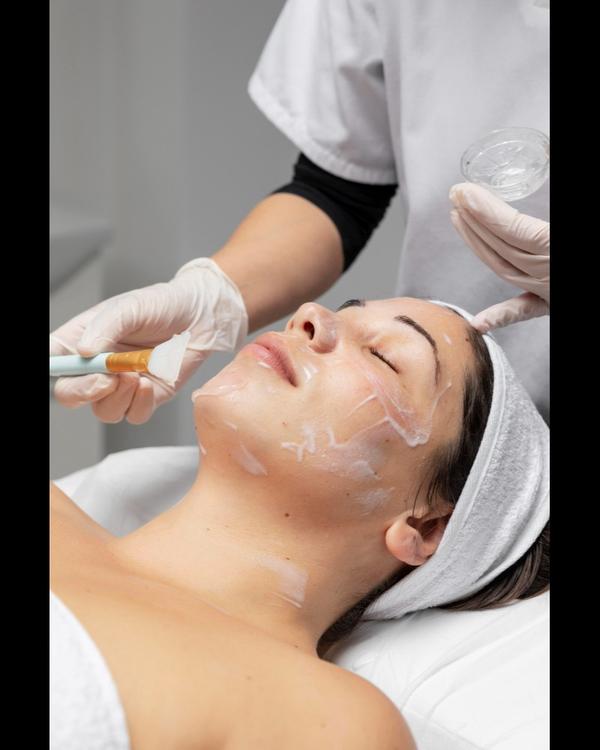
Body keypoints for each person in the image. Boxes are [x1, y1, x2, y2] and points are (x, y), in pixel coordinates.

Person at [50, 297, 549, 749]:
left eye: (383, 356)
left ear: (426, 528)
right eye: (343, 311)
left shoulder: (329, 720)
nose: (310, 314)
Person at [50, 0, 549, 426]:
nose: (309, 315)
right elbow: (336, 191)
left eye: (382, 356)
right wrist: (214, 297)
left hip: (461, 445)